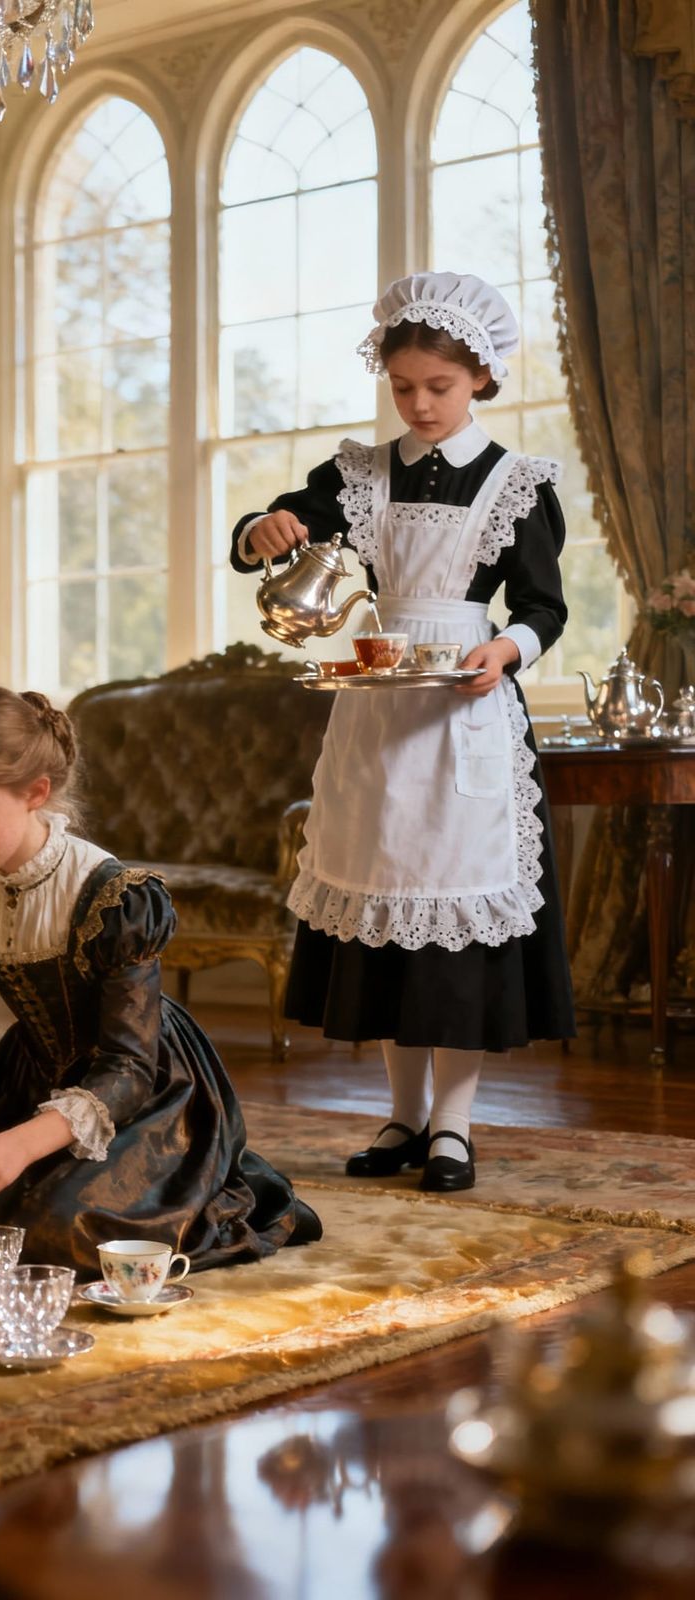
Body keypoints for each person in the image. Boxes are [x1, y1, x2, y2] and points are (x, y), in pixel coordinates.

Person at [230, 271, 575, 1193]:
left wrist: (507, 648)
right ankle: (403, 1116)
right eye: (404, 387)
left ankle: (453, 1126)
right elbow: (270, 530)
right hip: (377, 714)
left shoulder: (517, 483)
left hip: (467, 711)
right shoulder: (357, 475)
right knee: (386, 916)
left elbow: (544, 606)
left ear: (483, 379)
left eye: (440, 387)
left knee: (456, 922)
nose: (420, 404)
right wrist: (264, 529)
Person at [0, 686, 321, 1274]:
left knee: (59, 1232)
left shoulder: (112, 897)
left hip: (141, 1086)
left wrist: (20, 1144)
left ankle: (222, 1192)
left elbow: (128, 1066)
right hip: (29, 1078)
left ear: (35, 793)